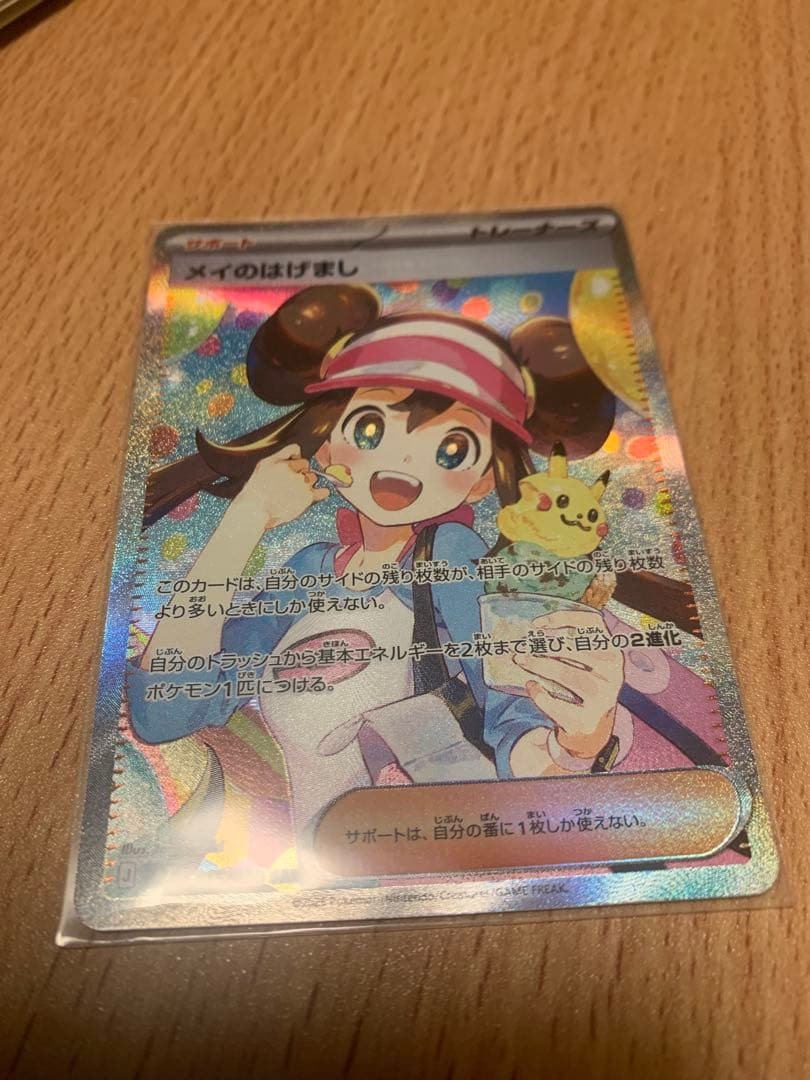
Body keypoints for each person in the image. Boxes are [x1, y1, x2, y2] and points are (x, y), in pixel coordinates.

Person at [129, 284, 721, 845]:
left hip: (432, 855)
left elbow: (510, 718)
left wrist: (579, 742)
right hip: (324, 871)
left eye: (451, 448)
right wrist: (245, 519)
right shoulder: (311, 570)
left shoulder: (451, 556)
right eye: (370, 428)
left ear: (482, 481)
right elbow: (166, 709)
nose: (403, 465)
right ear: (327, 444)